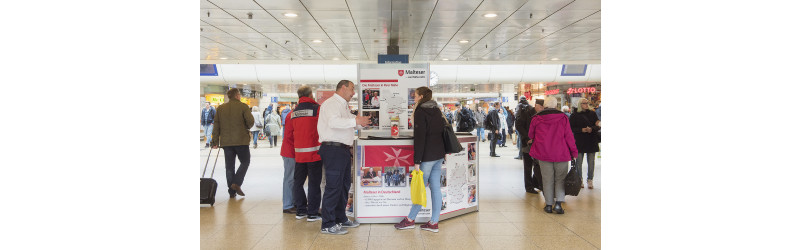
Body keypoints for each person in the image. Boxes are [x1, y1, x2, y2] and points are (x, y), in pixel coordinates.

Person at [317, 80, 371, 235]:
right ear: (343, 87)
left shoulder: (343, 105)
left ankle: (340, 218)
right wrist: (355, 120)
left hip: (343, 150)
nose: (353, 92)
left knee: (344, 186)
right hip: (333, 149)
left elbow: (350, 124)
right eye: (352, 89)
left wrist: (361, 123)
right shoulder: (331, 103)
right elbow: (334, 122)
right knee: (333, 187)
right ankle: (327, 224)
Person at [394, 86, 445, 233]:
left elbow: (420, 138)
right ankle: (434, 222)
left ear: (421, 97)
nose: (414, 98)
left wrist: (417, 161)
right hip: (438, 155)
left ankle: (410, 219)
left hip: (427, 157)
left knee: (419, 188)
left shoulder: (421, 111)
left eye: (415, 96)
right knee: (435, 188)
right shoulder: (436, 109)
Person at [528, 96, 577, 214]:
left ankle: (549, 205)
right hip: (561, 153)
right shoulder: (563, 118)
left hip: (544, 154)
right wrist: (574, 152)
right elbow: (569, 137)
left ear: (545, 106)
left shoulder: (536, 119)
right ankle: (559, 204)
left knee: (547, 179)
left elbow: (531, 135)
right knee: (560, 179)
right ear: (556, 106)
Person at [284, 86, 324, 222]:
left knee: (298, 182)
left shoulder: (292, 113)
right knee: (313, 183)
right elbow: (323, 129)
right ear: (311, 95)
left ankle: (301, 211)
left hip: (299, 154)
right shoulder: (317, 109)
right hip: (314, 153)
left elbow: (289, 136)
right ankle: (312, 213)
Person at [211, 88, 254, 198]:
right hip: (241, 141)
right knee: (245, 161)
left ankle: (231, 191)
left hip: (226, 142)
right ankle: (236, 183)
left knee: (229, 167)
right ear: (237, 96)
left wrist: (214, 141)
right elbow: (250, 122)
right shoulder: (243, 106)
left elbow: (216, 126)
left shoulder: (220, 108)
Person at [569, 98, 601, 189]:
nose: (586, 105)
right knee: (578, 162)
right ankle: (580, 179)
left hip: (591, 140)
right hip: (580, 141)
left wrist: (592, 128)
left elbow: (597, 125)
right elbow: (571, 128)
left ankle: (590, 179)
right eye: (584, 103)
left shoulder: (592, 113)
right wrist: (582, 130)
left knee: (591, 162)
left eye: (587, 103)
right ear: (580, 104)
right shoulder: (574, 115)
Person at [516, 99, 544, 194]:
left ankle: (536, 183)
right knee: (528, 166)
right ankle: (529, 187)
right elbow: (518, 125)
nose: (541, 109)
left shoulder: (541, 114)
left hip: (538, 144)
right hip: (527, 143)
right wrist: (527, 137)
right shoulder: (527, 113)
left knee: (538, 165)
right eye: (540, 107)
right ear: (536, 105)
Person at [279, 108, 296, 214]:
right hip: (290, 151)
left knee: (291, 178)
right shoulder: (292, 115)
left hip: (289, 150)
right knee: (289, 178)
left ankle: (291, 203)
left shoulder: (291, 114)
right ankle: (287, 205)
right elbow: (292, 135)